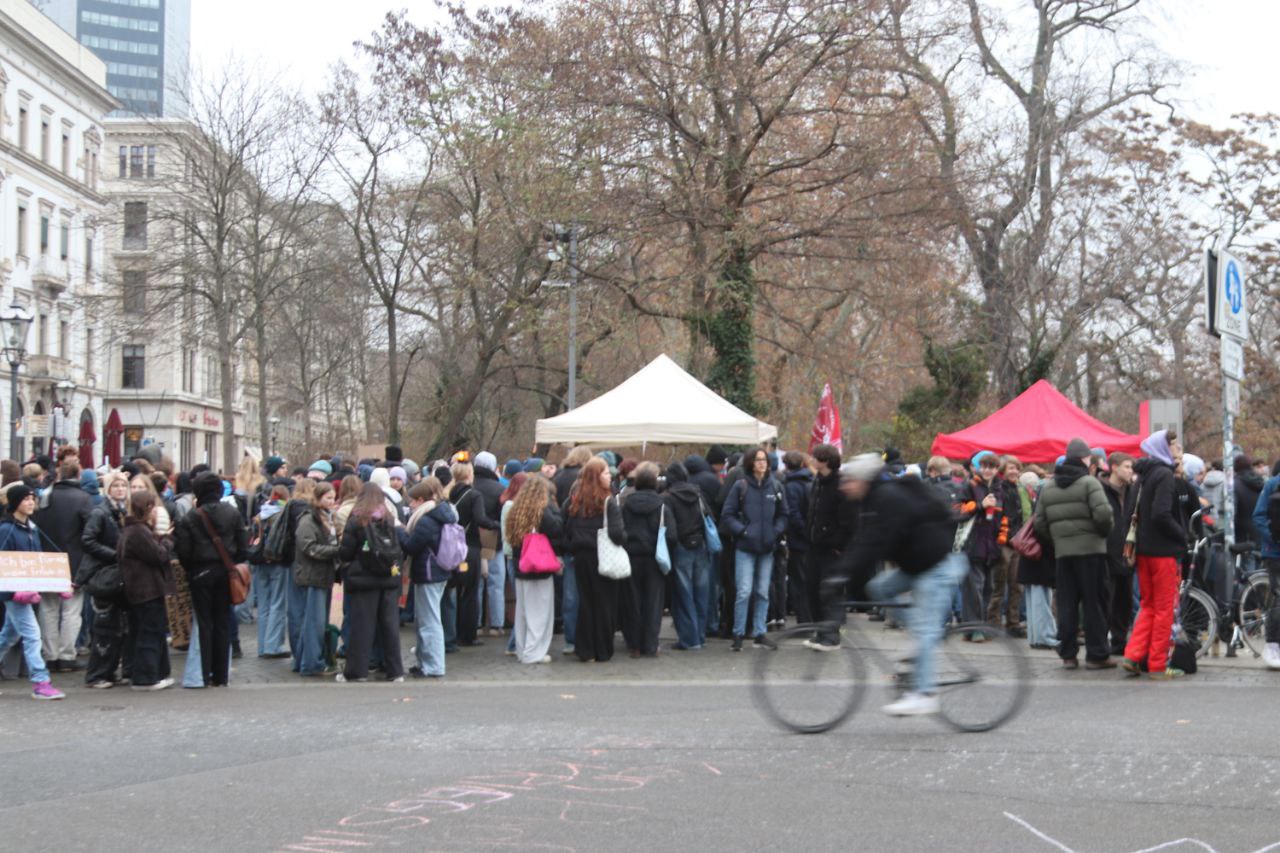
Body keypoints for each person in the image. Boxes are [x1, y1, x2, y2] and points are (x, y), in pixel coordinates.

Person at [826, 454, 966, 716]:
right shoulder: (872, 499)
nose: (844, 486)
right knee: (879, 588)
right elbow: (864, 540)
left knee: (924, 631)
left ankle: (924, 694)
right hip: (917, 565)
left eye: (849, 481)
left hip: (936, 567)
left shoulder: (888, 498)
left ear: (863, 480)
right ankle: (920, 640)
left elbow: (874, 542)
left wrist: (841, 574)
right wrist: (840, 572)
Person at [1033, 438, 1115, 669]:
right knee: (1094, 604)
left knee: (1067, 605)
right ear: (1084, 459)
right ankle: (1097, 655)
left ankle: (1068, 655)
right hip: (1092, 553)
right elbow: (1104, 516)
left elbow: (1039, 524)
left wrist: (1058, 540)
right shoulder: (1090, 483)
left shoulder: (1049, 487)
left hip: (1063, 555)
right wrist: (1101, 535)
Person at [1123, 430, 1188, 679]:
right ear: (1163, 448)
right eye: (1172, 445)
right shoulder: (1165, 475)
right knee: (1163, 609)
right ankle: (1158, 664)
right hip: (1163, 552)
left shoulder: (1143, 475)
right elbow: (1162, 514)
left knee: (1148, 605)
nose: (1176, 448)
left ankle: (1133, 654)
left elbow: (1132, 511)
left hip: (1144, 550)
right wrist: (1182, 534)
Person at [174, 472, 247, 688]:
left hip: (200, 573)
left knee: (204, 624)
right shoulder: (232, 513)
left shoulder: (191, 517)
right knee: (223, 622)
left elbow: (184, 552)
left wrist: (193, 569)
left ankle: (204, 673)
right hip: (225, 572)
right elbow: (243, 547)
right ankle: (221, 675)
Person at [0, 484, 65, 699]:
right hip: (15, 594)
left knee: (8, 636)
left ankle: (40, 681)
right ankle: (40, 681)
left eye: (32, 498)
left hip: (27, 591)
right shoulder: (5, 530)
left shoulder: (32, 528)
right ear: (15, 503)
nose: (31, 502)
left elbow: (38, 562)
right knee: (33, 635)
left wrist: (59, 585)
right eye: (26, 499)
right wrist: (12, 594)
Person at [337, 483, 405, 683]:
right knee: (390, 627)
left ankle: (357, 672)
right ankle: (395, 671)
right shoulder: (389, 518)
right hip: (389, 579)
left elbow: (346, 552)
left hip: (363, 580)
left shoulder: (357, 519)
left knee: (362, 628)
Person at [721, 448, 787, 651]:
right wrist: (743, 532)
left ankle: (759, 632)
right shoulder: (741, 486)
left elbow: (784, 514)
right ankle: (738, 633)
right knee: (744, 591)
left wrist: (775, 532)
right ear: (750, 463)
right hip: (746, 547)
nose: (762, 463)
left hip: (767, 547)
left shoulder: (775, 486)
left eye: (764, 460)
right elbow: (728, 514)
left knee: (762, 592)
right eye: (758, 460)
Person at [562, 458, 626, 661]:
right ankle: (603, 649)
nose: (610, 476)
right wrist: (625, 538)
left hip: (581, 556)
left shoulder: (576, 500)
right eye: (606, 473)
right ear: (597, 476)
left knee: (586, 603)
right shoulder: (608, 501)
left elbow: (567, 529)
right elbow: (617, 534)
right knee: (605, 603)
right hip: (603, 555)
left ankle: (585, 649)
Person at [33, 456, 93, 672]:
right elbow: (89, 532)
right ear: (78, 475)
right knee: (71, 610)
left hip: (48, 560)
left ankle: (51, 654)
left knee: (48, 609)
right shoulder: (83, 498)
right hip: (73, 560)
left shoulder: (46, 496)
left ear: (59, 475)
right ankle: (67, 655)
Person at [117, 490, 174, 691]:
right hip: (146, 590)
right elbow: (158, 556)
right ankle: (146, 678)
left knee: (143, 632)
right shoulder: (138, 531)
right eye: (152, 507)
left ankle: (148, 673)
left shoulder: (131, 530)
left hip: (140, 590)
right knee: (149, 632)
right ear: (147, 509)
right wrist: (166, 540)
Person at [403, 478, 458, 678]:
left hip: (428, 572)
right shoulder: (438, 513)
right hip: (437, 571)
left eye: (411, 501)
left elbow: (411, 546)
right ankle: (425, 662)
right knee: (426, 619)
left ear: (420, 499)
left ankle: (433, 666)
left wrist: (401, 532)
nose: (409, 505)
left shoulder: (426, 519)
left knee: (430, 621)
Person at [81, 471, 132, 687]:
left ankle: (109, 670)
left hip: (117, 574)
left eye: (123, 485)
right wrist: (114, 555)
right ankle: (97, 674)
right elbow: (88, 540)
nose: (120, 489)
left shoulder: (122, 510)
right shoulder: (101, 512)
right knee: (105, 627)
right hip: (103, 574)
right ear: (108, 488)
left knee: (119, 626)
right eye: (116, 486)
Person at [506, 476, 564, 664]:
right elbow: (556, 529)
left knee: (523, 612)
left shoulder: (516, 510)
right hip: (539, 568)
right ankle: (533, 652)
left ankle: (523, 649)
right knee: (540, 612)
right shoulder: (542, 510)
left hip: (521, 566)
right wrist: (554, 506)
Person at [807, 444, 858, 649]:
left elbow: (849, 520)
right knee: (813, 590)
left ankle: (830, 635)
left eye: (815, 457)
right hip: (814, 545)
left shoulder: (840, 485)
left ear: (825, 460)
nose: (812, 460)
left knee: (830, 591)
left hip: (831, 549)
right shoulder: (818, 482)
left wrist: (839, 545)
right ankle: (820, 631)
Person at [662, 462, 712, 650]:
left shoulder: (668, 498)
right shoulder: (697, 494)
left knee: (683, 595)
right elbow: (708, 516)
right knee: (701, 594)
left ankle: (688, 639)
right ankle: (699, 635)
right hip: (700, 545)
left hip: (681, 548)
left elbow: (670, 530)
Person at [293, 481, 340, 677]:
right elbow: (309, 547)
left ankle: (305, 661)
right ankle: (311, 663)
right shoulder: (308, 520)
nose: (332, 501)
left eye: (333, 497)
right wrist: (336, 550)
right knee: (314, 623)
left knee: (314, 622)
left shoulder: (326, 519)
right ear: (318, 498)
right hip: (313, 576)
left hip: (322, 576)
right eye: (328, 498)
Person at [449, 461, 498, 648]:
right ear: (470, 474)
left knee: (455, 591)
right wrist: (496, 525)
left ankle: (454, 630)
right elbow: (480, 519)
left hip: (452, 548)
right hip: (469, 548)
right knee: (470, 593)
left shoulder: (450, 495)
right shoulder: (474, 495)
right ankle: (468, 635)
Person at [552, 445, 592, 656]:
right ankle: (588, 636)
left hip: (569, 546)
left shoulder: (558, 477)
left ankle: (570, 638)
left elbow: (559, 517)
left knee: (569, 595)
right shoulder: (592, 486)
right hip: (588, 547)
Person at [1016, 469, 1057, 650]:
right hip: (1041, 558)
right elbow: (1045, 532)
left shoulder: (1035, 508)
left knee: (1034, 598)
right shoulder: (1045, 512)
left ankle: (1036, 637)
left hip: (1030, 559)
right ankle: (1044, 637)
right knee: (1042, 599)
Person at [1101, 452, 1138, 657]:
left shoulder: (1133, 490)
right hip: (1107, 551)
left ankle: (1119, 641)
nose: (1130, 471)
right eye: (1126, 466)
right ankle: (1102, 641)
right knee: (1107, 598)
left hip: (1127, 552)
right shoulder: (1101, 489)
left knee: (1124, 600)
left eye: (1131, 467)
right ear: (1113, 467)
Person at [252, 484, 292, 660]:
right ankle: (273, 645)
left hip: (260, 560)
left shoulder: (261, 513)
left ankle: (262, 646)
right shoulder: (282, 513)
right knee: (278, 603)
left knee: (263, 605)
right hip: (277, 561)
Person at [471, 452, 507, 639]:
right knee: (496, 584)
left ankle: (475, 624)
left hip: (471, 542)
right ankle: (496, 624)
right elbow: (504, 518)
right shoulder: (499, 488)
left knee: (475, 585)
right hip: (495, 543)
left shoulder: (469, 486)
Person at [1251, 458, 1280, 670]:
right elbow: (1258, 516)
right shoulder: (1273, 484)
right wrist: (1274, 537)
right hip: (1275, 552)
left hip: (1273, 549)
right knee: (1278, 599)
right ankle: (1272, 645)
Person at [782, 451, 814, 625]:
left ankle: (805, 620)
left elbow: (793, 514)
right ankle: (810, 618)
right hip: (810, 539)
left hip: (799, 541)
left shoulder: (791, 485)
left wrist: (803, 532)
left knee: (799, 581)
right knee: (807, 580)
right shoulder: (810, 481)